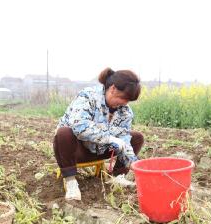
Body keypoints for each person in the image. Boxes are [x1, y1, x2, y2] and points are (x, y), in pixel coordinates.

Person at [53, 68, 144, 201]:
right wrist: (109, 138)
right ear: (112, 89)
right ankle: (71, 181)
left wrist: (134, 164)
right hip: (77, 150)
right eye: (123, 98)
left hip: (101, 150)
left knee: (136, 137)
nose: (124, 103)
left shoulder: (124, 111)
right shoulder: (88, 96)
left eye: (128, 100)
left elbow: (124, 139)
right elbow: (79, 126)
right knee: (64, 133)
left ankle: (118, 177)